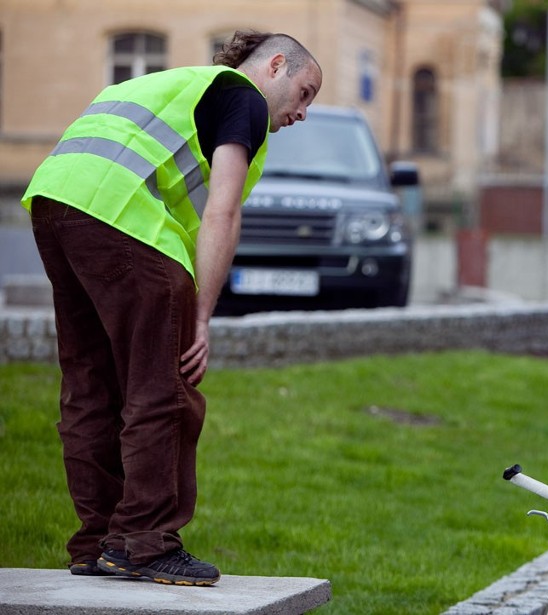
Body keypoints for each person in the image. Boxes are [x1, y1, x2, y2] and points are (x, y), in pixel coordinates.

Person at [20, 30, 322, 586]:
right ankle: (146, 541)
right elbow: (222, 213)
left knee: (91, 388)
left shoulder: (171, 85)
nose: (304, 111)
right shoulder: (241, 96)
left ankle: (99, 542)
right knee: (164, 389)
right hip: (125, 222)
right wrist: (202, 318)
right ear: (276, 64)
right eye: (304, 92)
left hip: (55, 204)